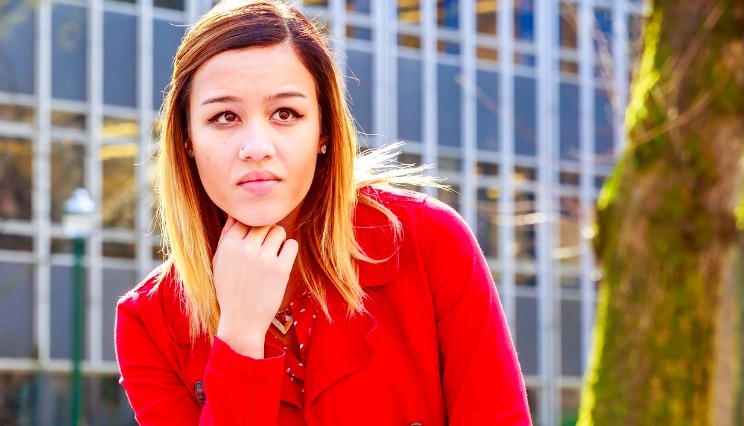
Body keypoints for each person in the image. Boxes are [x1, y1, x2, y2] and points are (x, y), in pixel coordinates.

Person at [114, 0, 530, 424]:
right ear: (186, 139)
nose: (257, 146)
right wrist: (239, 336)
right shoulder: (150, 321)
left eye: (285, 113)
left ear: (324, 132)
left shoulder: (428, 240)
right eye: (224, 116)